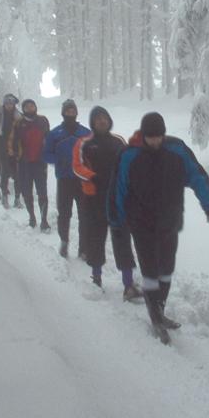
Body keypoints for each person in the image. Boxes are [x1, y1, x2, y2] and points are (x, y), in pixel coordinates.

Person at [108, 112, 209, 345]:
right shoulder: (129, 155)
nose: (155, 141)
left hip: (169, 221)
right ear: (144, 135)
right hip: (141, 224)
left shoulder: (176, 150)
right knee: (150, 270)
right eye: (150, 137)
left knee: (166, 268)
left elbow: (197, 176)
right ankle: (155, 316)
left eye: (158, 136)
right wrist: (116, 221)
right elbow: (118, 189)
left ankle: (159, 307)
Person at [72, 106, 143, 300]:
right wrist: (93, 177)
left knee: (122, 239)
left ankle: (128, 285)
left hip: (117, 199)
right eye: (98, 119)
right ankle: (96, 280)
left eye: (104, 118)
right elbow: (76, 167)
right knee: (96, 238)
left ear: (109, 120)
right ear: (93, 123)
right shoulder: (84, 143)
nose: (102, 121)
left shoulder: (118, 141)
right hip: (93, 198)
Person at [43, 99, 90, 259]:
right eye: (68, 111)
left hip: (82, 180)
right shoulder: (55, 133)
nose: (71, 113)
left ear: (76, 113)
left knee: (84, 215)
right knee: (64, 214)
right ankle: (64, 242)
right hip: (64, 179)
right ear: (63, 113)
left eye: (73, 111)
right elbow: (46, 154)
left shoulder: (85, 132)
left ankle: (83, 248)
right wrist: (58, 160)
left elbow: (94, 152)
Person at [8, 99, 51, 230]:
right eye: (27, 107)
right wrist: (14, 155)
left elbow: (49, 138)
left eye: (32, 106)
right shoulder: (18, 123)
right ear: (23, 109)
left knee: (42, 192)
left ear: (35, 107)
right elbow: (12, 141)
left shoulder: (43, 120)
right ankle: (32, 217)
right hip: (24, 164)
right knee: (27, 192)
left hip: (40, 163)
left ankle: (44, 220)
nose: (30, 108)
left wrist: (49, 153)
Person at [0, 93, 23, 209]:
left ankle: (17, 198)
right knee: (4, 174)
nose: (9, 105)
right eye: (7, 103)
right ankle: (4, 196)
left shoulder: (19, 117)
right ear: (4, 104)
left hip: (16, 150)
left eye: (11, 103)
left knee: (18, 175)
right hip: (3, 150)